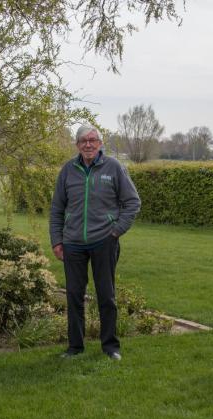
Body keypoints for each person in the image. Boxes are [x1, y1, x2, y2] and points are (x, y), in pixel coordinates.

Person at [50, 124, 141, 360]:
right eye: (83, 141)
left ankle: (110, 347)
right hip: (73, 242)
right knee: (73, 295)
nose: (88, 144)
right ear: (77, 145)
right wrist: (56, 241)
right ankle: (75, 347)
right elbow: (57, 209)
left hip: (104, 240)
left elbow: (132, 202)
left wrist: (116, 231)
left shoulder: (114, 167)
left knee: (106, 296)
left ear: (100, 143)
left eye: (93, 140)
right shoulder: (68, 170)